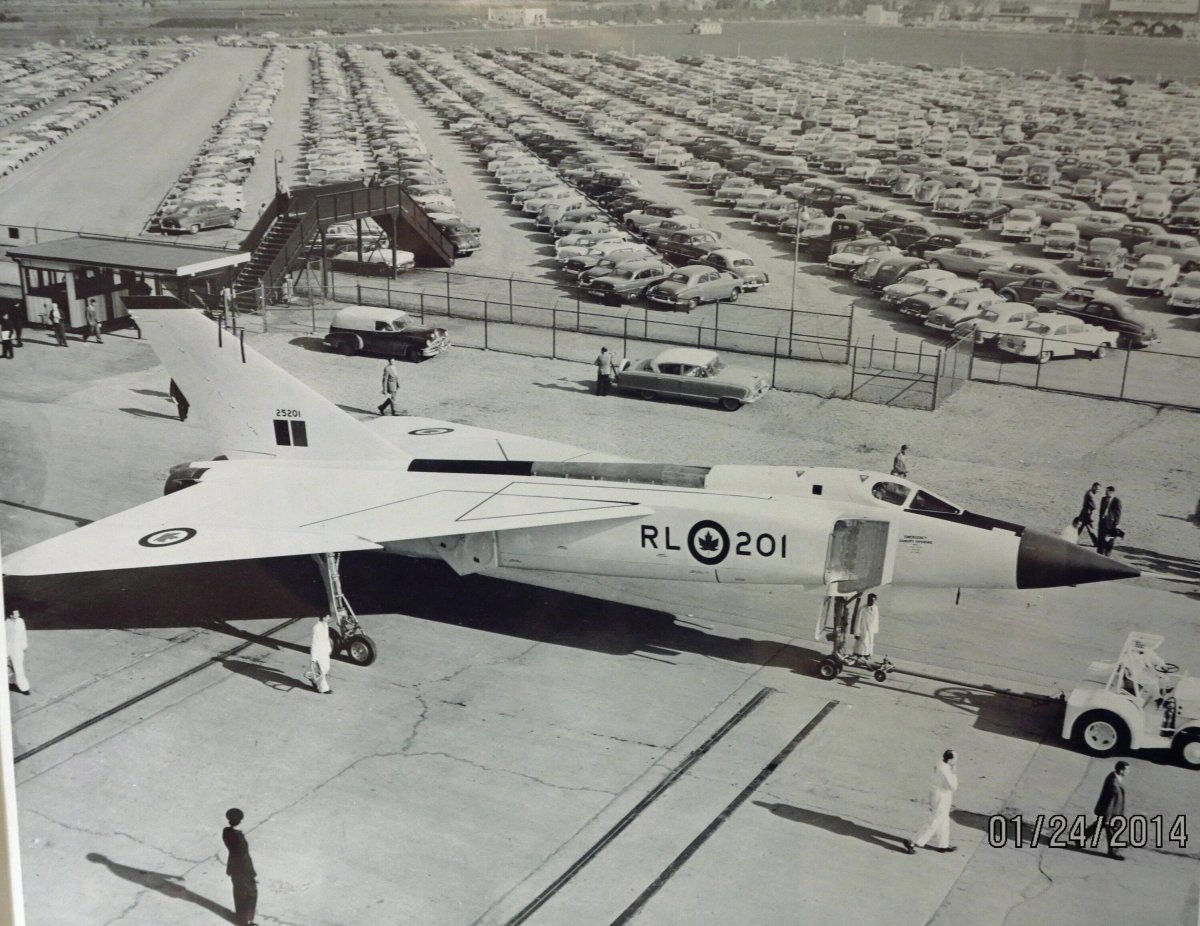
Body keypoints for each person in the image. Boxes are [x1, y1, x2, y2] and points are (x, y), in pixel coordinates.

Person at [904, 749, 958, 854]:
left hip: (938, 793)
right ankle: (913, 841)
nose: (956, 761)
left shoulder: (940, 764)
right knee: (936, 820)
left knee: (944, 819)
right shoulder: (946, 770)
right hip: (942, 796)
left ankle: (943, 844)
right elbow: (953, 787)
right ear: (950, 760)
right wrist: (954, 773)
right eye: (955, 759)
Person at [1084, 761, 1128, 860]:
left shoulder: (1115, 777)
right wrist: (1108, 818)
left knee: (1098, 825)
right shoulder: (1113, 783)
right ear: (1121, 770)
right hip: (1110, 812)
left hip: (1111, 811)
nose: (1128, 772)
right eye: (1127, 770)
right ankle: (1113, 852)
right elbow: (1110, 802)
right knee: (1112, 831)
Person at [222, 808, 258, 925]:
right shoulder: (238, 838)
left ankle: (242, 919)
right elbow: (242, 856)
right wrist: (250, 874)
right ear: (240, 820)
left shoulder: (226, 831)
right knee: (251, 894)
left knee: (239, 893)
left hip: (234, 869)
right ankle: (246, 921)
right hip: (243, 870)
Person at [303, 614, 334, 694]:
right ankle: (323, 689)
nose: (329, 618)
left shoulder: (326, 625)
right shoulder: (316, 627)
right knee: (322, 670)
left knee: (327, 668)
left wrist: (329, 649)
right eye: (327, 616)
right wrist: (313, 658)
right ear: (323, 617)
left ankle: (313, 678)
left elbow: (327, 638)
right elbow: (314, 643)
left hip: (325, 650)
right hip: (318, 652)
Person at [6, 610, 29, 695]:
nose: (18, 614)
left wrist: (24, 646)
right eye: (16, 613)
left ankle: (24, 688)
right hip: (7, 649)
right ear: (11, 615)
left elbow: (23, 634)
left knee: (19, 668)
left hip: (17, 649)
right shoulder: (5, 623)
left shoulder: (20, 621)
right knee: (8, 668)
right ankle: (11, 682)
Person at [851, 593, 880, 661]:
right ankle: (858, 654)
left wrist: (875, 630)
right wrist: (856, 633)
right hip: (863, 628)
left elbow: (876, 620)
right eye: (869, 600)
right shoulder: (862, 608)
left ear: (875, 601)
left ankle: (867, 654)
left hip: (871, 629)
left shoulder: (875, 608)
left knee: (870, 642)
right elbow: (857, 621)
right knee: (862, 642)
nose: (870, 602)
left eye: (872, 601)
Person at [1097, 486, 1123, 556]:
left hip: (1111, 524)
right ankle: (1099, 555)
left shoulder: (1117, 501)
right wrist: (1101, 518)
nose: (1105, 492)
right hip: (1102, 523)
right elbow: (1101, 510)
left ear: (1111, 492)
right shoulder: (1103, 499)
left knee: (1109, 541)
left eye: (1107, 491)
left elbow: (1118, 514)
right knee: (1101, 540)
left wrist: (1116, 524)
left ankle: (1107, 555)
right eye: (1106, 491)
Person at [1073, 482, 1100, 546]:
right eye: (1097, 488)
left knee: (1082, 527)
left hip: (1085, 512)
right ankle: (1096, 543)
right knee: (1086, 527)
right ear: (1093, 487)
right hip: (1087, 514)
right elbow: (1094, 506)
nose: (1097, 490)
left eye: (1098, 489)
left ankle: (1072, 539)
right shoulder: (1090, 495)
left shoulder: (1089, 492)